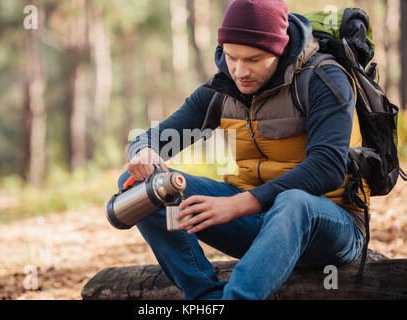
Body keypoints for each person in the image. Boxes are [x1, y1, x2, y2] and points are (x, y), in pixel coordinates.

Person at [117, 0, 368, 300]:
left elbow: (326, 168)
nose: (239, 70)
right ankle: (205, 298)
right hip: (255, 224)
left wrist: (239, 204)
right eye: (231, 56)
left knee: (293, 203)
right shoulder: (221, 89)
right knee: (145, 188)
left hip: (330, 226)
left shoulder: (324, 79)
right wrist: (142, 151)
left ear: (281, 48)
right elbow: (157, 137)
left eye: (253, 59)